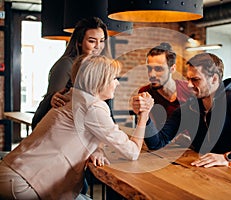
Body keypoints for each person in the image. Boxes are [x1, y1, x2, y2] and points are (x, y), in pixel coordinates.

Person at [0, 55, 154, 200]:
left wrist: (95, 148)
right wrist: (144, 115)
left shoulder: (74, 98)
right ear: (100, 80)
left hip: (13, 174)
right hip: (23, 184)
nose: (117, 83)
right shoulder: (93, 107)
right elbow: (132, 152)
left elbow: (81, 133)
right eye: (114, 78)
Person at [133, 52, 231, 176]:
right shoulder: (190, 107)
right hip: (205, 174)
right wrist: (144, 115)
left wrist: (228, 157)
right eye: (188, 79)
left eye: (195, 79)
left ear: (214, 79)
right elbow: (157, 143)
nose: (189, 85)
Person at [31, 17, 111, 130]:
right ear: (79, 42)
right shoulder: (66, 64)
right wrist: (53, 98)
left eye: (102, 41)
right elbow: (53, 99)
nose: (98, 46)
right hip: (59, 129)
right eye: (92, 41)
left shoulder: (101, 68)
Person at [139, 42, 191, 130]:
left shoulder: (189, 89)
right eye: (149, 68)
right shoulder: (146, 93)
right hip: (162, 142)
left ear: (172, 69)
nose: (152, 74)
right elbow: (151, 130)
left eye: (158, 69)